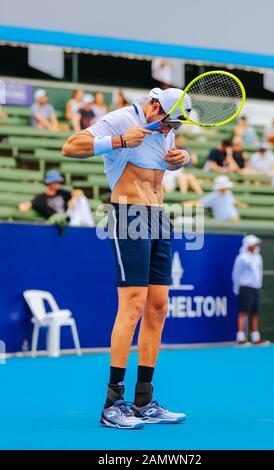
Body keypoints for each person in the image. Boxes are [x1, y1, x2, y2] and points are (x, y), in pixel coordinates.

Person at [62, 87, 191, 429]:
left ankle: (144, 399)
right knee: (132, 305)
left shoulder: (166, 129)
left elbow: (158, 171)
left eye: (173, 126)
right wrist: (118, 141)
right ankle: (112, 402)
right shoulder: (121, 119)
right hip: (128, 215)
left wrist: (181, 160)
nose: (168, 130)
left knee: (158, 306)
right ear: (153, 106)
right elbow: (70, 146)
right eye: (167, 122)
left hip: (160, 217)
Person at [18, 169, 94, 227]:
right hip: (57, 223)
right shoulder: (41, 198)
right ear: (49, 183)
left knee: (81, 198)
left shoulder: (61, 192)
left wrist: (74, 199)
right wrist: (24, 205)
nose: (58, 183)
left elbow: (79, 192)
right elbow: (29, 204)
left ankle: (90, 226)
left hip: (69, 219)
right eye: (55, 181)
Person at [232, 235, 263, 345]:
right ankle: (240, 338)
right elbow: (236, 273)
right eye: (254, 244)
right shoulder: (241, 258)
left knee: (254, 313)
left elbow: (259, 273)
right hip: (245, 287)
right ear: (248, 245)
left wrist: (258, 285)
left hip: (255, 287)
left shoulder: (258, 257)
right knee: (243, 312)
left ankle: (256, 338)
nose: (256, 246)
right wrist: (236, 287)